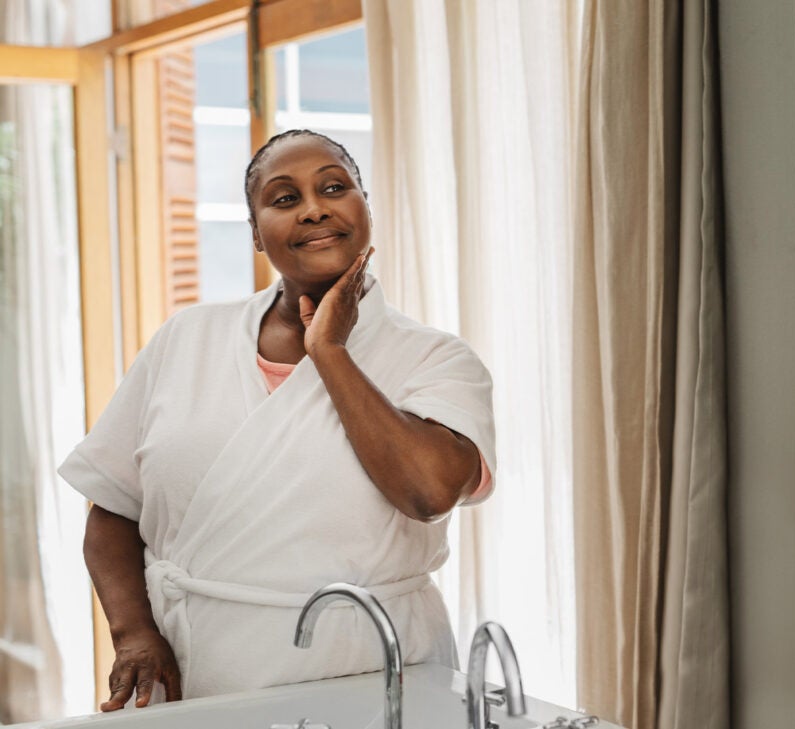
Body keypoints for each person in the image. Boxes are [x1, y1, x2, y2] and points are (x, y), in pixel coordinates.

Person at [60, 129, 496, 710]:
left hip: (374, 673)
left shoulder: (436, 358)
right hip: (203, 671)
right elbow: (113, 510)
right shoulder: (187, 339)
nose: (314, 208)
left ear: (364, 205)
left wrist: (332, 354)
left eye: (334, 187)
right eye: (284, 198)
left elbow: (429, 492)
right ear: (257, 234)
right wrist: (133, 633)